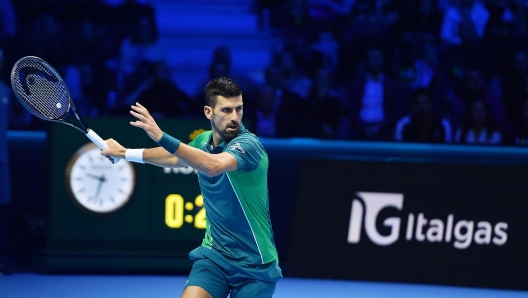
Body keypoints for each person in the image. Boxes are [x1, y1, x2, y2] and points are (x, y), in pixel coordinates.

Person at [101, 77, 282, 298]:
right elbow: (175, 157)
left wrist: (160, 136)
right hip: (215, 256)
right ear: (208, 112)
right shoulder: (203, 141)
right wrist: (125, 153)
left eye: (239, 109)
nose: (234, 117)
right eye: (226, 110)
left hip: (255, 265)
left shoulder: (249, 144)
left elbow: (213, 166)